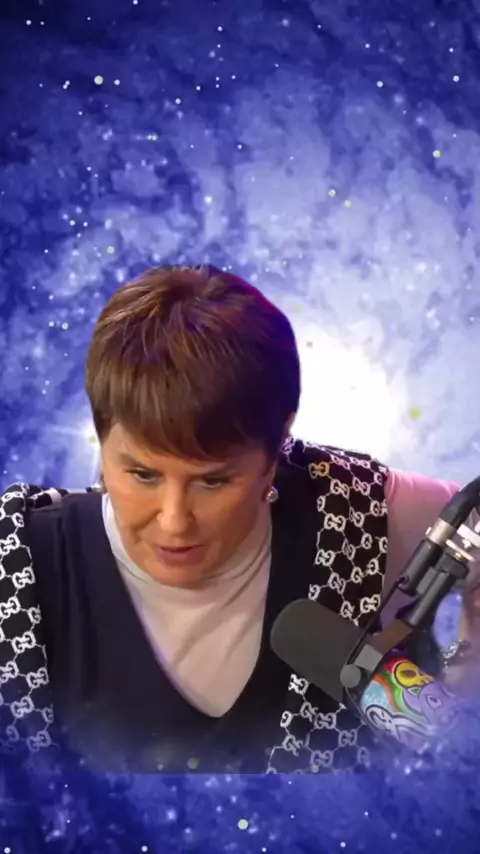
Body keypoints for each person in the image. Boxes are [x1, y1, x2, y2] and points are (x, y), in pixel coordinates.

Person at [0, 264, 479, 775]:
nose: (174, 521)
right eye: (142, 474)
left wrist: (465, 691)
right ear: (100, 437)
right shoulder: (18, 566)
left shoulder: (357, 512)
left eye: (212, 481)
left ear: (278, 443)